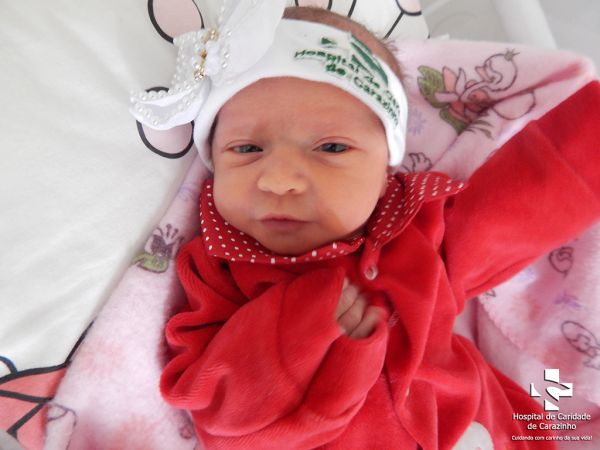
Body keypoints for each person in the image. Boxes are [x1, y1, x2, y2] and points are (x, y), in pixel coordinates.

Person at [131, 3, 600, 449]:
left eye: (331, 148)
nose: (279, 179)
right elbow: (217, 415)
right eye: (247, 149)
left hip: (473, 426)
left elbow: (519, 204)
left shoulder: (417, 227)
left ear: (384, 174)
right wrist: (301, 326)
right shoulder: (217, 270)